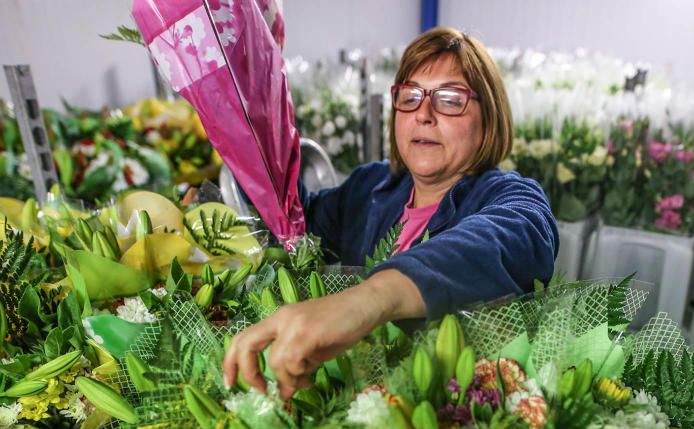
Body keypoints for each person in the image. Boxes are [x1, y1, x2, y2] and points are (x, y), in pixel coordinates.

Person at [224, 27, 558, 398]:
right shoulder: (370, 188)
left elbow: (506, 239)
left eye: (449, 99)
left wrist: (365, 302)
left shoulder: (511, 198)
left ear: (489, 118)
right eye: (410, 97)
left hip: (451, 415)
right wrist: (243, 121)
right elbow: (292, 220)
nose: (424, 114)